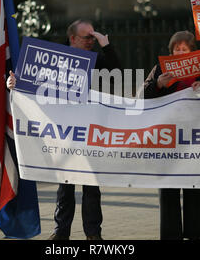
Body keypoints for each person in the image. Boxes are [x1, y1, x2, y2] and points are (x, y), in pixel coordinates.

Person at [7, 19, 121, 240]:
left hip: (88, 130)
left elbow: (116, 71)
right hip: (62, 132)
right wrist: (13, 84)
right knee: (65, 185)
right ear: (72, 38)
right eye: (87, 37)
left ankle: (93, 234)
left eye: (93, 37)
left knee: (91, 187)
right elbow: (28, 83)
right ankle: (61, 233)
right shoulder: (52, 57)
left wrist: (105, 43)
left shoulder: (94, 60)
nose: (91, 41)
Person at [142, 30, 200, 240]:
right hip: (167, 137)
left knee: (193, 186)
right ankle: (170, 233)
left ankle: (193, 233)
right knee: (168, 187)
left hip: (194, 135)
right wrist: (158, 84)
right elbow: (143, 94)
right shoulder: (160, 69)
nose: (180, 52)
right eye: (176, 49)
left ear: (192, 51)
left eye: (184, 49)